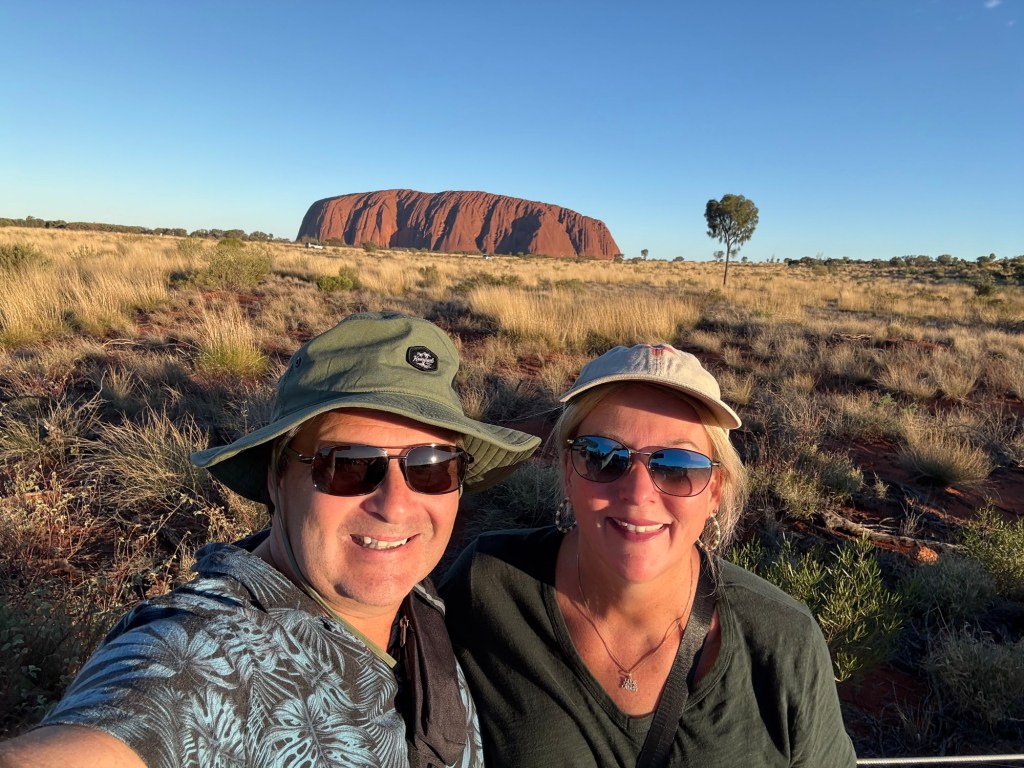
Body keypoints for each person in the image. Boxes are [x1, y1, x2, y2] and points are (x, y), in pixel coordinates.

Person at [0, 311, 540, 768]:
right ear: (276, 479)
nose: (396, 503)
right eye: (349, 467)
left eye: (431, 466)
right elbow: (122, 726)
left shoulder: (421, 604)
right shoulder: (204, 656)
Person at [440, 343, 856, 767]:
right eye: (604, 457)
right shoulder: (487, 584)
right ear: (568, 472)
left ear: (714, 491)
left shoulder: (783, 642)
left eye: (677, 465)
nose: (638, 494)